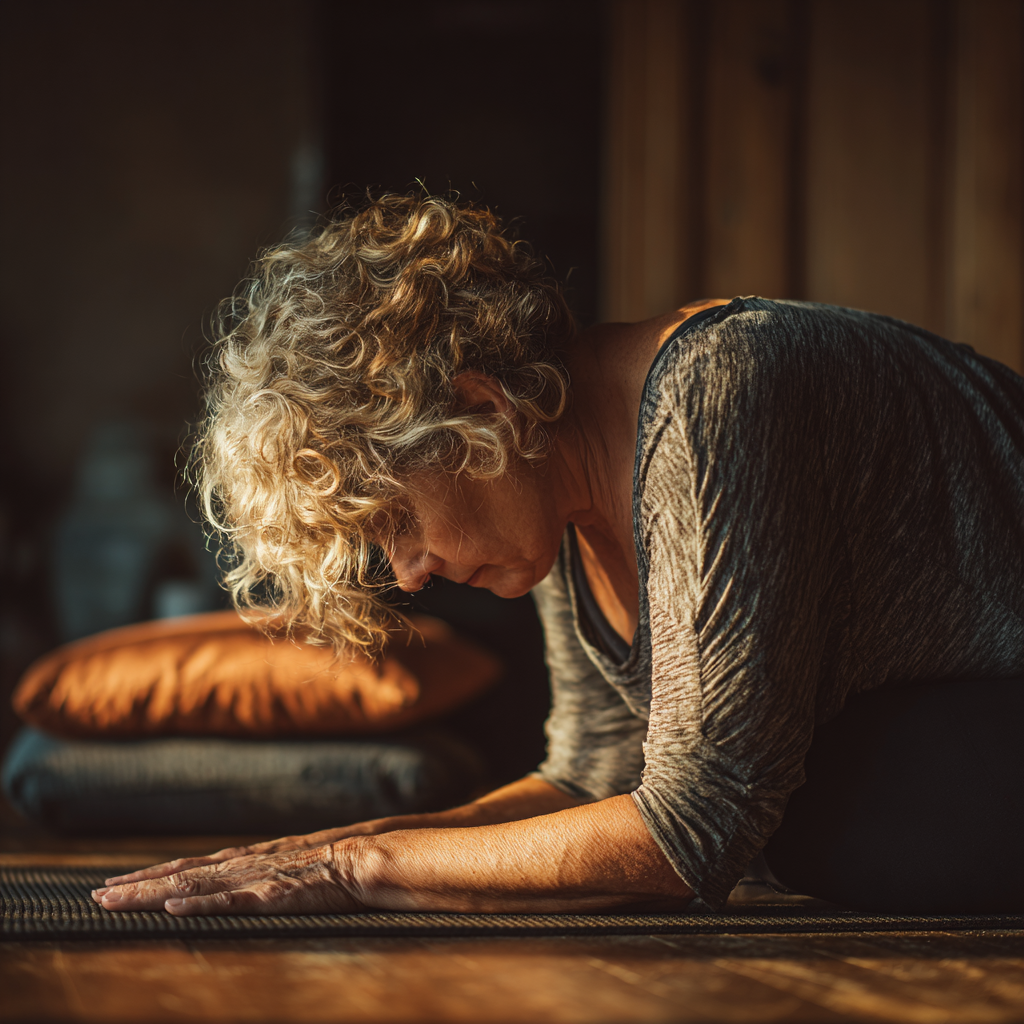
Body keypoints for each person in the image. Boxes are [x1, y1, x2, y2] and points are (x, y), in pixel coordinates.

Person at [92, 194, 1024, 918]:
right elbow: (592, 777)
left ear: (480, 411)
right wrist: (352, 843)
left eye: (394, 523)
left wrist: (358, 869)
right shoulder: (554, 491)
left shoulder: (719, 395)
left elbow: (689, 829)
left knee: (821, 814)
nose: (409, 573)